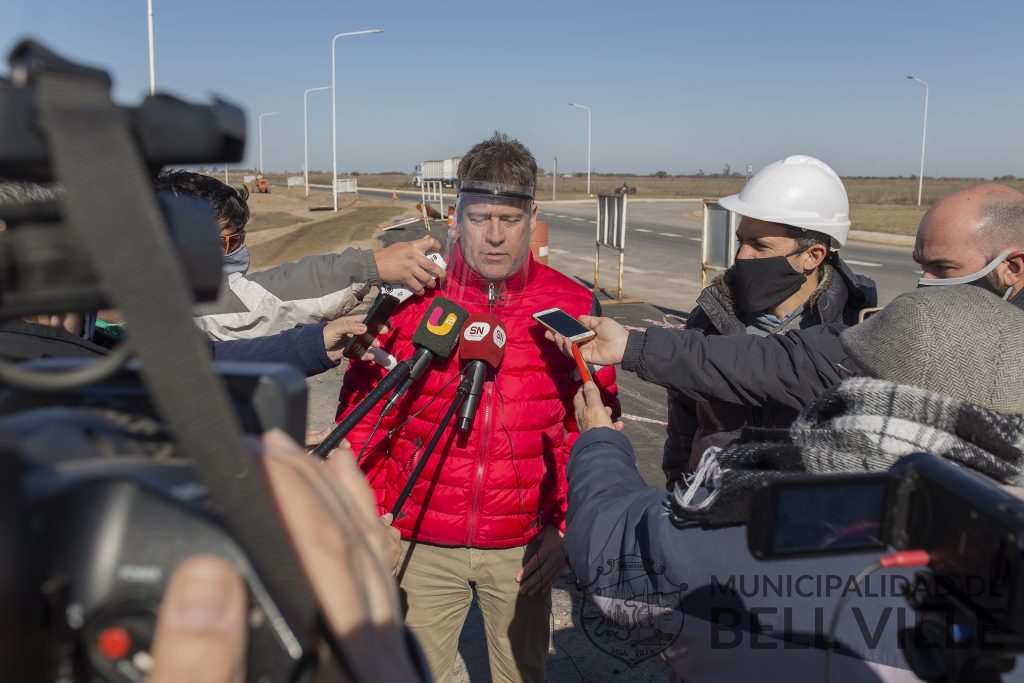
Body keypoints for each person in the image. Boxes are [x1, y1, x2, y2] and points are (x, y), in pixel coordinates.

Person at [562, 285, 1024, 683]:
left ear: (857, 374)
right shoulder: (1001, 531)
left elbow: (613, 549)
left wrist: (599, 443)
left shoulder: (759, 512)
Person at [334, 132, 619, 683]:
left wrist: (566, 527)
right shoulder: (412, 297)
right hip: (416, 537)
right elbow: (366, 418)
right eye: (479, 217)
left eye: (509, 220)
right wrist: (370, 521)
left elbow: (592, 428)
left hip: (524, 550)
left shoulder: (576, 306)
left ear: (532, 217)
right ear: (455, 216)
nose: (493, 236)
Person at [551, 182, 1024, 425]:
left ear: (1013, 268)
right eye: (919, 265)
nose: (923, 289)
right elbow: (778, 364)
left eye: (941, 270)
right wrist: (634, 345)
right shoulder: (898, 332)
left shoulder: (873, 322)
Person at [663, 155, 876, 488]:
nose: (742, 256)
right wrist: (680, 489)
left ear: (813, 256)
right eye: (741, 241)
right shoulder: (711, 317)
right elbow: (682, 425)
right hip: (709, 511)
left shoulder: (856, 329)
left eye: (759, 245)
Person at [153, 171, 446, 340]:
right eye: (226, 242)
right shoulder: (160, 304)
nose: (236, 251)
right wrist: (371, 265)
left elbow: (252, 351)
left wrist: (315, 346)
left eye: (239, 240)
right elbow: (261, 301)